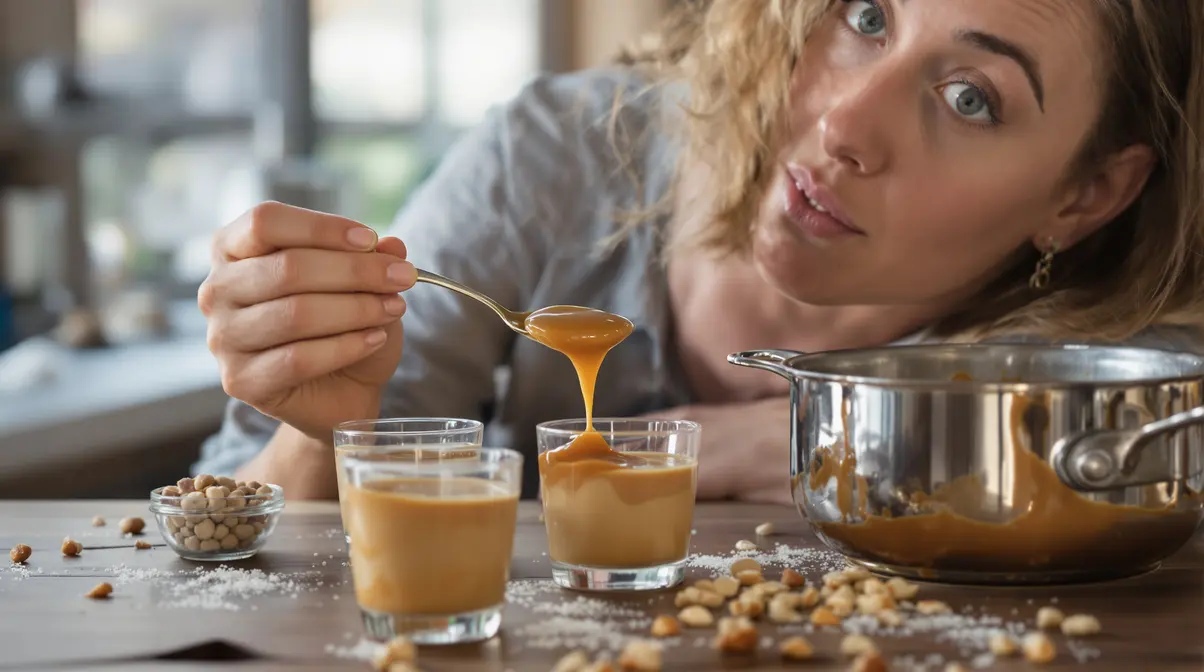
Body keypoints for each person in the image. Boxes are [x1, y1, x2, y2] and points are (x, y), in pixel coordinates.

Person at [195, 0, 1204, 502]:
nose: (845, 122)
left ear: (1086, 194)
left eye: (969, 97)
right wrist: (323, 432)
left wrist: (806, 437)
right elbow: (233, 536)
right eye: (865, 16)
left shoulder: (1131, 358)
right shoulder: (559, 158)